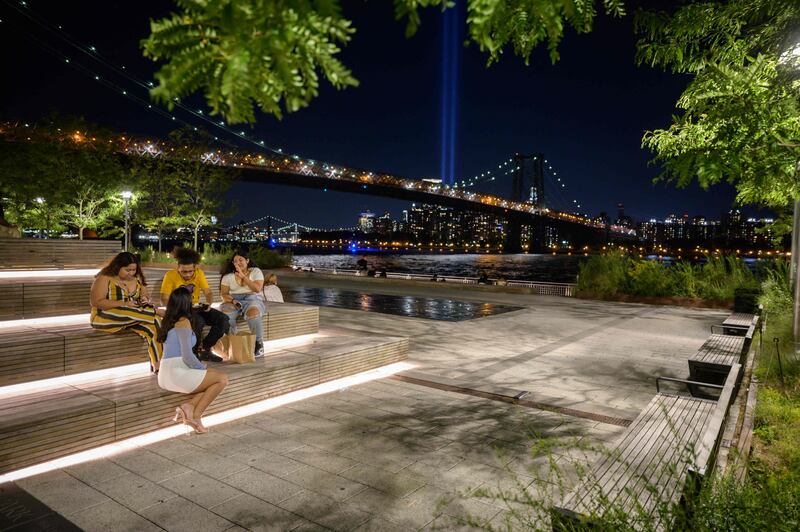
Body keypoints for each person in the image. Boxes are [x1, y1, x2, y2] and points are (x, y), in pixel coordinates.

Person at [157, 287, 228, 434]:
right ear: (187, 303)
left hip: (167, 373)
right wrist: (201, 367)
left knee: (212, 383)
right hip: (176, 372)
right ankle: (196, 416)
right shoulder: (183, 322)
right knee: (222, 379)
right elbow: (187, 356)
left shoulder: (169, 319)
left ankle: (188, 407)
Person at [90, 252, 163, 372]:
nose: (131, 273)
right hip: (104, 316)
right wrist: (123, 304)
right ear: (117, 267)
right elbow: (96, 302)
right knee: (140, 313)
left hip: (132, 317)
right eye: (127, 270)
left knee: (155, 323)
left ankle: (158, 365)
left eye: (133, 270)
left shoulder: (137, 278)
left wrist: (144, 299)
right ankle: (155, 312)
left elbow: (144, 294)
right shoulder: (104, 277)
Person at [159, 247, 228, 363]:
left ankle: (205, 349)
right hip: (180, 310)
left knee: (224, 319)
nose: (187, 274)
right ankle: (193, 353)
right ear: (178, 268)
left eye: (190, 271)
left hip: (196, 307)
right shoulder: (170, 275)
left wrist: (208, 303)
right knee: (198, 322)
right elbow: (163, 299)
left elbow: (208, 292)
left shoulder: (199, 273)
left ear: (195, 268)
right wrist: (177, 307)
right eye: (184, 271)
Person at [220, 251, 266, 357]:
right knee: (226, 315)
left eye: (241, 260)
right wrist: (232, 301)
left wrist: (243, 276)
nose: (238, 263)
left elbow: (257, 289)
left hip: (252, 299)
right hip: (233, 300)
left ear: (247, 261)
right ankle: (233, 342)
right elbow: (223, 294)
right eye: (235, 261)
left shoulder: (255, 271)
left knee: (253, 313)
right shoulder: (228, 276)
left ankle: (258, 344)